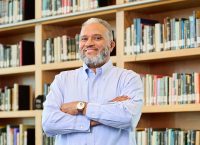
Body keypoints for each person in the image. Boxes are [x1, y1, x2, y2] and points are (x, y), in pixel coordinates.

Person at [42, 17, 144, 145]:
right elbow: (48, 123)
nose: (89, 43)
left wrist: (81, 107)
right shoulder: (62, 80)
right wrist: (104, 113)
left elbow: (129, 118)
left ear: (111, 45)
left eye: (97, 38)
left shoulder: (129, 78)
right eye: (84, 38)